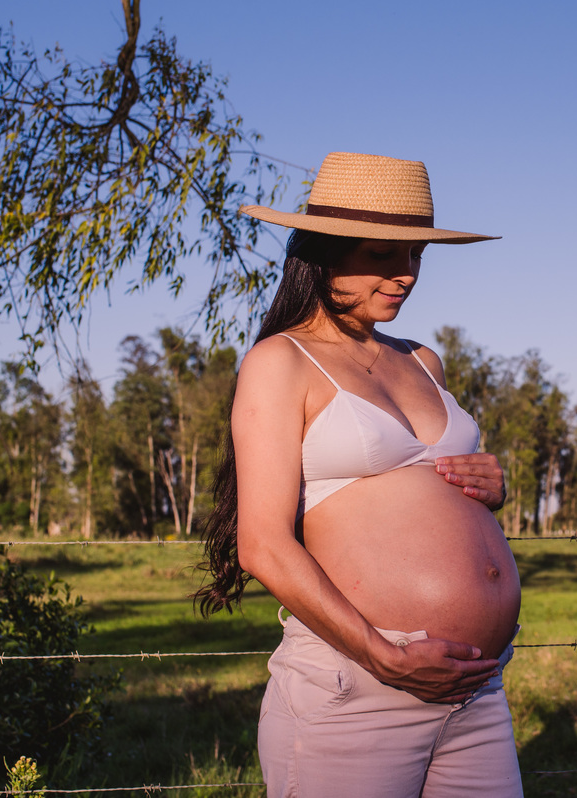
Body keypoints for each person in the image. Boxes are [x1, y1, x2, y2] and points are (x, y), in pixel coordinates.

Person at [195, 152, 522, 797]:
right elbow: (262, 543)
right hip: (358, 689)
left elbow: (428, 495)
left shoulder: (422, 359)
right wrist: (384, 655)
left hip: (476, 693)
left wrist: (491, 490)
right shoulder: (280, 361)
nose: (405, 276)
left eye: (416, 257)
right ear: (324, 252)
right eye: (383, 255)